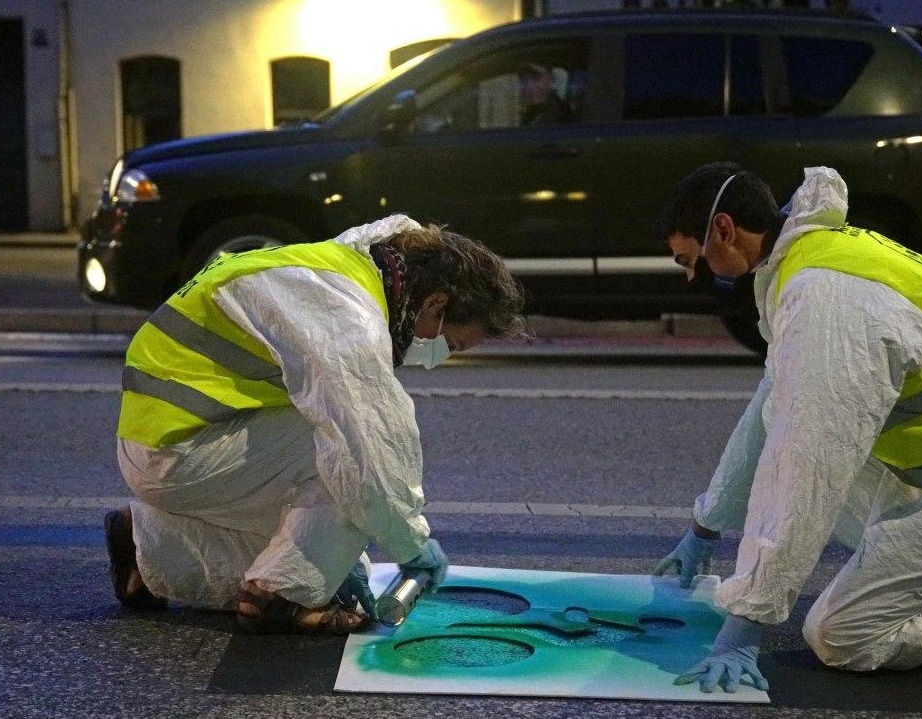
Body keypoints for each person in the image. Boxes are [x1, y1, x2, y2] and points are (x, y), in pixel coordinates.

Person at [651, 162, 922, 693]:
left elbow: (806, 468)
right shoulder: (816, 255)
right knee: (789, 425)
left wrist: (746, 623)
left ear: (724, 230)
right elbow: (769, 413)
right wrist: (706, 527)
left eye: (692, 259)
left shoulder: (824, 299)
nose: (691, 275)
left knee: (839, 636)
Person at [103, 215, 526, 635]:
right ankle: (281, 597)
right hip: (180, 451)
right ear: (435, 303)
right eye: (451, 342)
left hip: (172, 438)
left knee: (324, 542)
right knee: (351, 461)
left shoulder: (345, 269)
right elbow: (369, 455)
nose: (442, 356)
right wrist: (412, 544)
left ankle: (146, 546)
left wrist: (333, 559)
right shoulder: (346, 315)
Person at [518, 62, 574, 126]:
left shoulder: (559, 117)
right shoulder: (531, 115)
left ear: (552, 82)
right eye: (524, 80)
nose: (528, 86)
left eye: (536, 79)